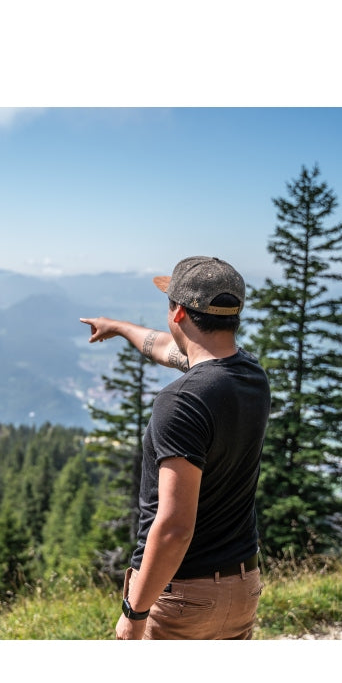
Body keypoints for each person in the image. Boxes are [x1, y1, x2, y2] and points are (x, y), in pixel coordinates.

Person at [80, 256, 270, 640]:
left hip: (182, 594)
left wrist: (134, 613)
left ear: (178, 312)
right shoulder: (250, 374)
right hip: (241, 585)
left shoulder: (181, 401)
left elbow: (174, 528)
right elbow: (166, 347)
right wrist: (117, 327)